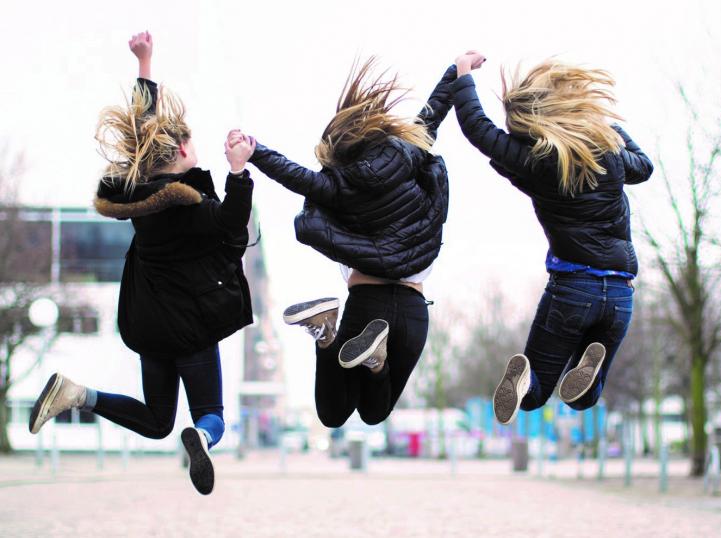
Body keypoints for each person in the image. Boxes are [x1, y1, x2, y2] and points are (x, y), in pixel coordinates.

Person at [28, 31, 256, 495]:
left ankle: (78, 395)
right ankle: (203, 437)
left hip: (149, 324)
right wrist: (238, 170)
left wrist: (144, 64)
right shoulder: (193, 206)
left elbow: (141, 127)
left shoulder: (139, 200)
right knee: (210, 413)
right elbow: (234, 222)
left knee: (156, 421)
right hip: (191, 327)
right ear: (183, 152)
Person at [240, 57, 477, 427]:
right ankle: (374, 360)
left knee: (334, 413)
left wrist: (255, 151)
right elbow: (432, 115)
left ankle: (326, 332)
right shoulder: (407, 152)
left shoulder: (336, 184)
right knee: (373, 412)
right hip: (412, 307)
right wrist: (457, 71)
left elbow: (294, 175)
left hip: (368, 301)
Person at [449, 52, 653, 424]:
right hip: (619, 292)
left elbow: (478, 128)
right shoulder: (610, 155)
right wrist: (608, 129)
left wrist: (463, 75)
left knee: (534, 395)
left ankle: (526, 382)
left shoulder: (536, 162)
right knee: (583, 400)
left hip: (572, 289)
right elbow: (645, 166)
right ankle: (587, 375)